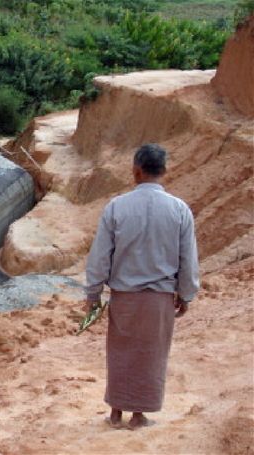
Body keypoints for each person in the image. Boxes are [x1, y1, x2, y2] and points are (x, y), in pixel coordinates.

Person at [84, 143, 200, 430]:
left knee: (120, 353)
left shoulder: (116, 207)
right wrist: (186, 294)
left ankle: (115, 411)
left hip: (124, 297)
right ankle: (138, 416)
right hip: (158, 299)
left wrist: (93, 295)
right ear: (165, 171)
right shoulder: (179, 209)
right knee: (151, 355)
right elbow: (188, 259)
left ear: (136, 171)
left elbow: (100, 256)